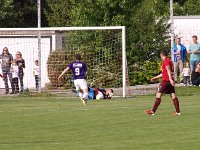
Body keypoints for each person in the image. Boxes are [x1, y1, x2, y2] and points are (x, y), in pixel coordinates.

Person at [144, 50, 181, 116]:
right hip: (169, 81)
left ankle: (153, 111)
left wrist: (170, 79)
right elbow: (164, 73)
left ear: (161, 55)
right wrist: (155, 77)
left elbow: (168, 70)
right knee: (173, 96)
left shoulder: (166, 61)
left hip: (166, 81)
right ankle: (178, 112)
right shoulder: (169, 61)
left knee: (158, 95)